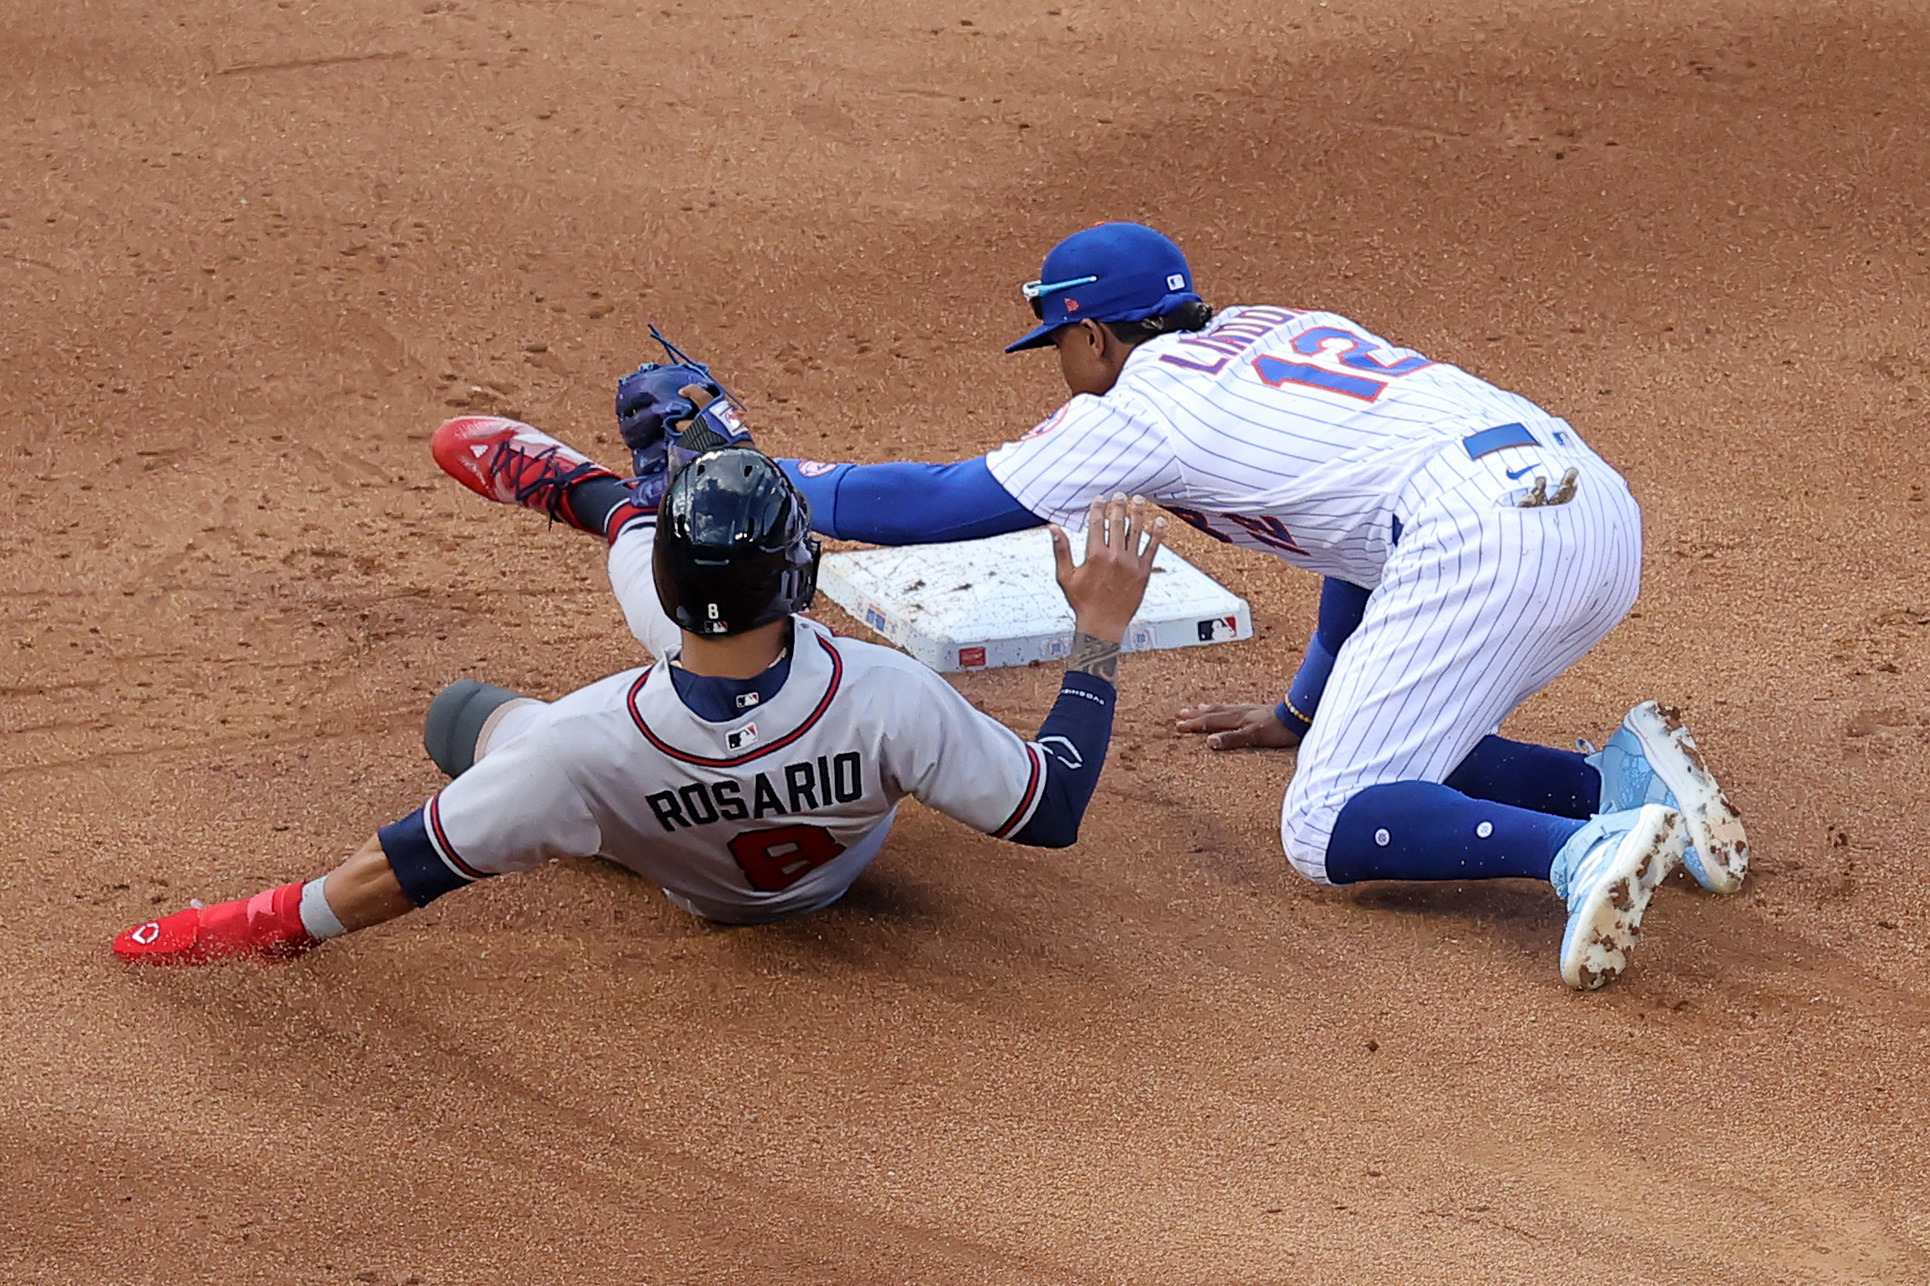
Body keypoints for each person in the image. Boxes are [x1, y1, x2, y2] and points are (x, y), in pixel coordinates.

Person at [671, 221, 1747, 990]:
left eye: (1057, 347)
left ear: (1092, 336)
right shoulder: (1270, 332)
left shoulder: (1142, 397)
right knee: (1376, 740)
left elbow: (955, 498)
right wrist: (1304, 707)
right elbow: (1357, 538)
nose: (1061, 369)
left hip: (1487, 535)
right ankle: (1618, 779)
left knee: (1326, 825)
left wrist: (767, 472)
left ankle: (1579, 849)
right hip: (1589, 507)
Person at [112, 430, 1167, 964]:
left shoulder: (579, 739)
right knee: (551, 722)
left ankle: (621, 508)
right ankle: (619, 505)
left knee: (470, 718)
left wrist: (238, 925)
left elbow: (399, 871)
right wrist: (1099, 637)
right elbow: (1054, 803)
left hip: (662, 847)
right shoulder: (890, 692)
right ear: (801, 574)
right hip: (838, 861)